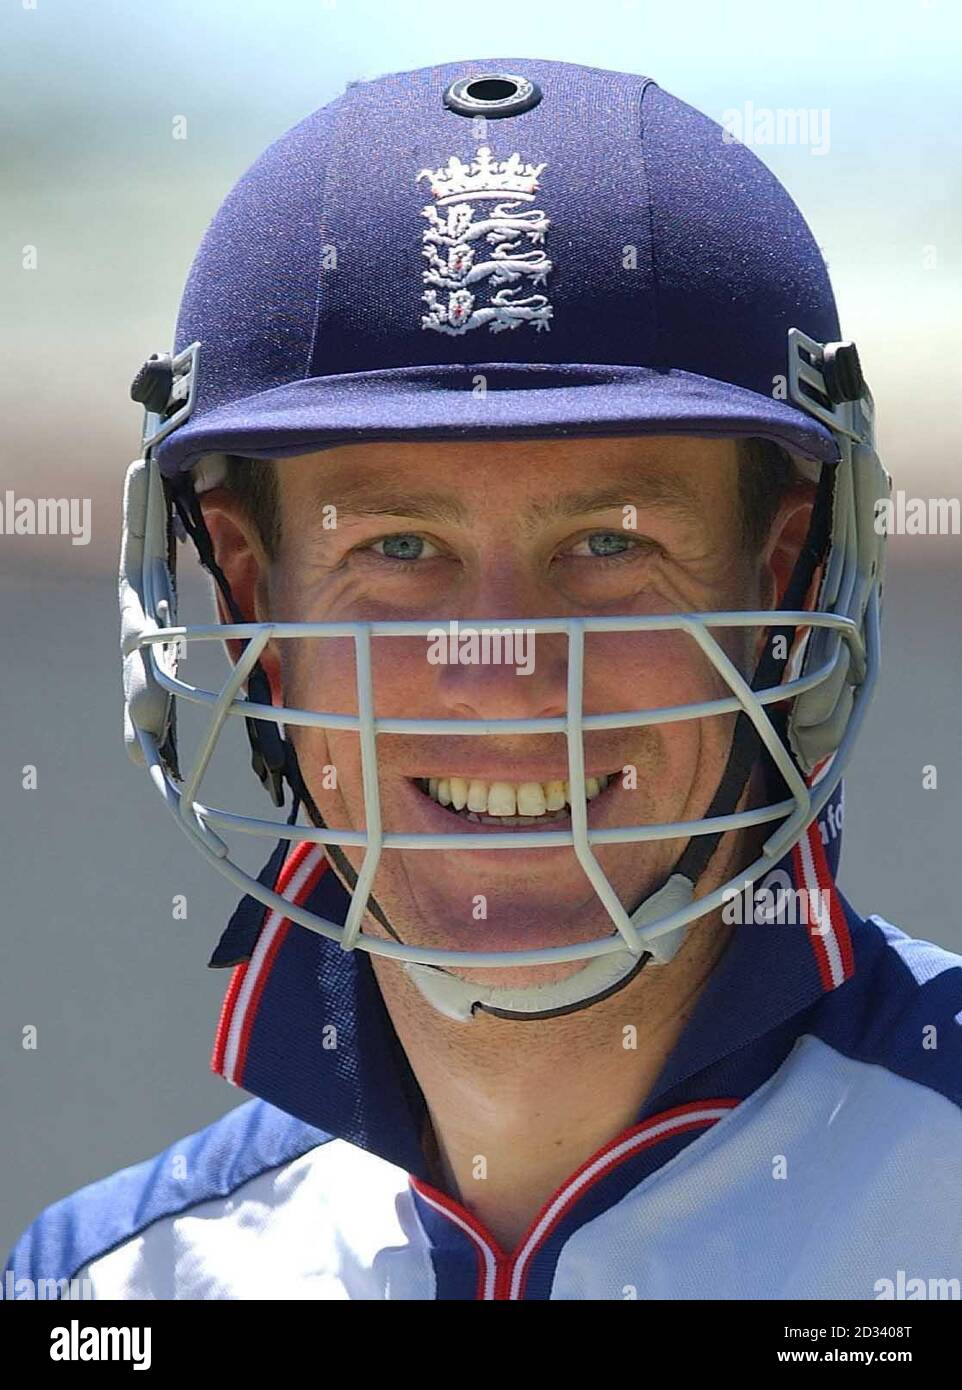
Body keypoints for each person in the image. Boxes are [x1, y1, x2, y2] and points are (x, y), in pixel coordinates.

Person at [7, 57, 961, 1301]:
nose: (501, 679)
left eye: (608, 545)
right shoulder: (103, 1290)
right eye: (397, 549)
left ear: (782, 576)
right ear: (249, 601)